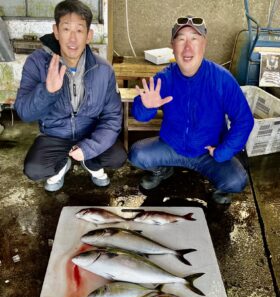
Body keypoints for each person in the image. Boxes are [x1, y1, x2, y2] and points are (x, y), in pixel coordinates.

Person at [128, 16, 254, 204]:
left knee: (237, 181)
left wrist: (222, 152)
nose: (187, 48)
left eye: (194, 39)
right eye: (181, 39)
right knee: (137, 154)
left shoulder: (222, 79)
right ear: (172, 45)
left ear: (204, 43)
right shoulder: (165, 77)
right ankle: (163, 170)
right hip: (172, 146)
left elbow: (244, 120)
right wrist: (145, 106)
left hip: (208, 151)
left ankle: (219, 186)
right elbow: (139, 114)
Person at [15, 0, 126, 192]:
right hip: (54, 134)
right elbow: (24, 112)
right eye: (66, 29)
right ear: (56, 31)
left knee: (117, 157)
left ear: (89, 35)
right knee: (34, 169)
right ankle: (62, 165)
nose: (72, 39)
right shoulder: (37, 63)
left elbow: (112, 117)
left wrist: (90, 147)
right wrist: (47, 92)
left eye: (80, 30)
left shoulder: (103, 69)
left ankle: (90, 162)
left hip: (89, 132)